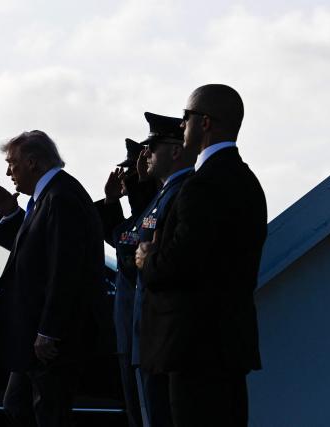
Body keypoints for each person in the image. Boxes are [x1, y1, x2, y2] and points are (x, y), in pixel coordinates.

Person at [135, 84, 267, 426]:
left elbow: (182, 263)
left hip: (192, 349)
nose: (182, 126)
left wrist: (147, 259)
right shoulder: (247, 180)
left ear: (205, 122)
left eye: (186, 117)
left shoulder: (203, 185)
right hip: (227, 346)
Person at [0, 130, 111, 427]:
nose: (8, 172)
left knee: (47, 414)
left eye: (12, 164)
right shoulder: (50, 195)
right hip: (36, 335)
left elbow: (64, 269)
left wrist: (49, 330)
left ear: (32, 162)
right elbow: (36, 250)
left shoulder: (60, 197)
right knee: (18, 406)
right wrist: (12, 215)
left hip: (53, 339)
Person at [131, 112, 195, 427]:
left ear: (175, 150)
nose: (146, 154)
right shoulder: (164, 192)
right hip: (152, 331)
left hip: (167, 335)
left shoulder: (184, 191)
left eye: (152, 147)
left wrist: (146, 258)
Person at [94, 135, 160, 427]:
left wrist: (119, 200)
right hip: (129, 330)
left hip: (146, 333)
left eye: (134, 174)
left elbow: (127, 246)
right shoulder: (141, 216)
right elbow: (121, 236)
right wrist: (110, 201)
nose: (129, 182)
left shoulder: (154, 211)